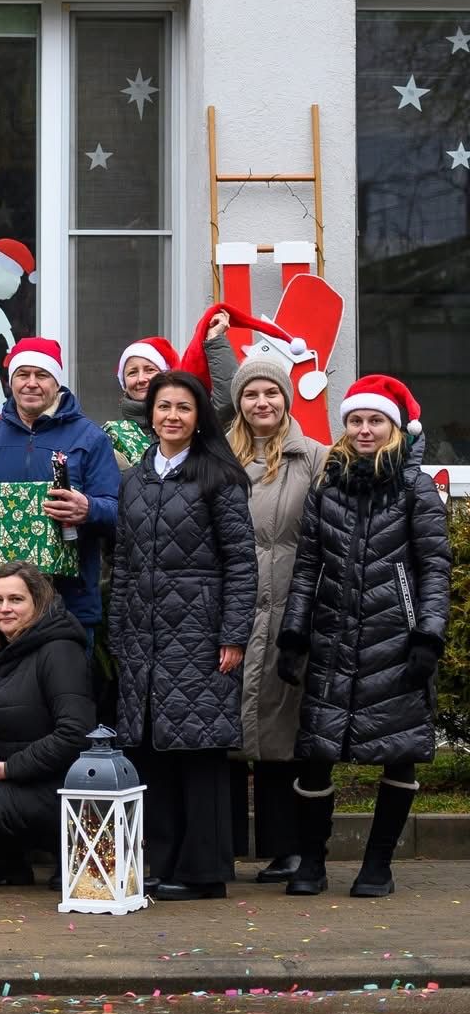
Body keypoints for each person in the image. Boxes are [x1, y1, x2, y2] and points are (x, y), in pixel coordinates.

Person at [277, 375, 452, 898]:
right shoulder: (327, 485)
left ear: (394, 428)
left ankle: (378, 865)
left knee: (398, 751)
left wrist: (429, 635)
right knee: (318, 752)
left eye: (375, 420)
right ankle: (312, 862)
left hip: (396, 639)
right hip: (332, 638)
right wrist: (294, 634)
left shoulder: (415, 487)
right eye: (355, 420)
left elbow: (435, 567)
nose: (364, 429)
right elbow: (307, 565)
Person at [111, 369, 256, 901]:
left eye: (183, 408)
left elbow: (242, 562)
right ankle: (162, 862)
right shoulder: (135, 479)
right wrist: (121, 633)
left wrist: (234, 633)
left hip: (201, 632)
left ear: (199, 419)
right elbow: (122, 562)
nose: (172, 416)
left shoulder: (219, 475)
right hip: (145, 636)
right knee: (154, 751)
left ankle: (204, 872)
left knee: (201, 751)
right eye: (163, 406)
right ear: (151, 413)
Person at [224, 354, 327, 884]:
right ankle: (229, 847)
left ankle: (287, 847)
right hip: (234, 606)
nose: (261, 403)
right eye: (250, 394)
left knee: (282, 726)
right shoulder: (221, 456)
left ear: (286, 399)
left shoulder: (313, 457)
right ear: (238, 403)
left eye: (271, 393)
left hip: (292, 603)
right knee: (234, 724)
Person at [0, 563, 97, 886]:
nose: (4, 609)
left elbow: (75, 733)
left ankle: (66, 850)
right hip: (20, 771)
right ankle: (9, 862)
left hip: (58, 785)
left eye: (15, 599)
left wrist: (10, 768)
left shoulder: (59, 650)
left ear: (37, 603)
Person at [0, 338, 121, 640]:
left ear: (56, 382)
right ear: (11, 382)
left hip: (68, 603)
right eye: (23, 374)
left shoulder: (90, 438)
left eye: (41, 375)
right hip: (0, 610)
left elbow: (120, 511)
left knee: (63, 687)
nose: (31, 383)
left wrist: (89, 509)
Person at [105, 306, 240, 469]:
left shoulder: (190, 423)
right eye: (132, 373)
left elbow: (227, 402)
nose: (141, 379)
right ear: (124, 384)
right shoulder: (113, 436)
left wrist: (215, 340)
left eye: (150, 370)